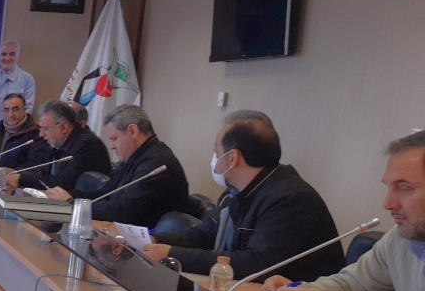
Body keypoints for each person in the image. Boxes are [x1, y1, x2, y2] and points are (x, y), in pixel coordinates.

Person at [261, 131, 425, 291]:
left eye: (404, 187)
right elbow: (352, 287)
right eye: (389, 187)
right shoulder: (401, 238)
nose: (388, 203)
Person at [144, 110, 344, 281]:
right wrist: (151, 240)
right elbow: (202, 235)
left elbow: (256, 265)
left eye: (216, 151)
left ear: (232, 157)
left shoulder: (290, 199)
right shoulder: (236, 192)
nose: (214, 158)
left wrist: (171, 254)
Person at [41, 105, 189, 227]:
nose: (112, 146)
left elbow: (125, 211)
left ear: (132, 131)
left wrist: (72, 204)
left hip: (149, 242)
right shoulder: (136, 156)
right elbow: (106, 194)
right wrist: (69, 196)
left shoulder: (156, 162)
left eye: (114, 138)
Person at [5, 100, 109, 192]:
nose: (41, 134)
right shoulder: (60, 142)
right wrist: (16, 172)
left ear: (63, 127)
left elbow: (62, 183)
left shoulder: (87, 145)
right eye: (41, 128)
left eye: (45, 128)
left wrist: (21, 178)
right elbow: (42, 170)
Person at [0, 93, 41, 168]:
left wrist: (11, 172)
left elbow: (36, 166)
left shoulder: (37, 133)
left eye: (15, 109)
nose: (10, 114)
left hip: (16, 175)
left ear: (24, 110)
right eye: (6, 110)